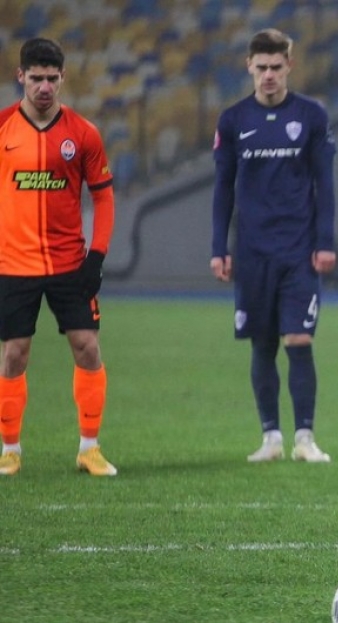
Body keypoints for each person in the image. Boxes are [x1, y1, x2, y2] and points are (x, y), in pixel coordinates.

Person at [211, 29, 337, 463]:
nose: (268, 75)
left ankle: (305, 437)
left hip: (299, 251)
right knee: (262, 344)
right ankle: (271, 438)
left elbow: (325, 183)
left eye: (276, 67)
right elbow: (223, 188)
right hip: (252, 252)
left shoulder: (311, 116)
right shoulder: (233, 120)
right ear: (249, 66)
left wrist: (325, 241)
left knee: (298, 339)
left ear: (289, 66)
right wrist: (218, 247)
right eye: (261, 67)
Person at [0, 38, 117, 476]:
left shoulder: (83, 133)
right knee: (15, 354)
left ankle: (89, 447)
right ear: (21, 76)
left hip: (69, 264)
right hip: (14, 265)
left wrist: (96, 257)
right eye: (36, 78)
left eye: (52, 78)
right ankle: (10, 449)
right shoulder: (3, 128)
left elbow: (103, 198)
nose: (44, 87)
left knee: (87, 347)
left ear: (63, 77)